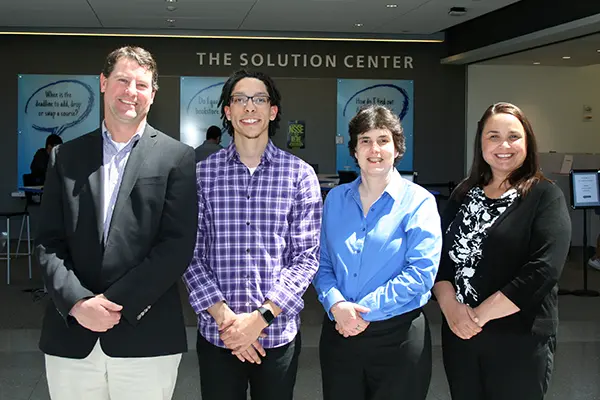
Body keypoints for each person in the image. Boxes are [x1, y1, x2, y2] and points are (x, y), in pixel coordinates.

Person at [35, 46, 198, 400]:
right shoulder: (66, 156)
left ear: (153, 95)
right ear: (103, 82)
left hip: (146, 336)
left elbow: (176, 246)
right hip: (72, 335)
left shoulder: (178, 158)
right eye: (122, 80)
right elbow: (48, 240)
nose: (131, 92)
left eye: (141, 85)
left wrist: (113, 304)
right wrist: (79, 303)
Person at [183, 69, 322, 400]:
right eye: (239, 100)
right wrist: (228, 321)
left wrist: (260, 319)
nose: (250, 107)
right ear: (227, 112)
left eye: (259, 99)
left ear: (272, 111)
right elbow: (189, 253)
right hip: (220, 335)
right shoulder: (201, 175)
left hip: (277, 335)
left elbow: (305, 257)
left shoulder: (299, 175)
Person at [432, 102, 571, 400]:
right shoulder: (463, 193)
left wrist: (477, 317)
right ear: (480, 143)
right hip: (461, 337)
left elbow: (543, 270)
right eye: (493, 136)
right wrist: (452, 311)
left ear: (528, 142)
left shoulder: (545, 196)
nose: (503, 145)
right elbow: (440, 260)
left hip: (519, 339)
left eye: (513, 136)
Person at [313, 105, 442, 400]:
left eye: (383, 140)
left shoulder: (418, 202)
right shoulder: (334, 200)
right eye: (365, 140)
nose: (375, 149)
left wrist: (360, 312)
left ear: (397, 148)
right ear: (354, 150)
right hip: (339, 333)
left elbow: (420, 274)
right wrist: (337, 305)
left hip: (397, 339)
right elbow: (321, 262)